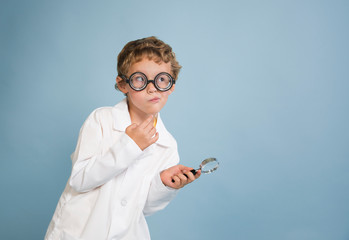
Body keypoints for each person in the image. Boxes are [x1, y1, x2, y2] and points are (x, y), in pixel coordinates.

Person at [45, 36, 201, 240]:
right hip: (80, 233)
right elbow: (79, 179)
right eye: (140, 79)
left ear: (171, 86)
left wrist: (164, 184)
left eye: (162, 79)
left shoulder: (168, 144)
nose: (152, 88)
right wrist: (131, 146)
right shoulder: (101, 120)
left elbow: (144, 207)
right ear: (122, 85)